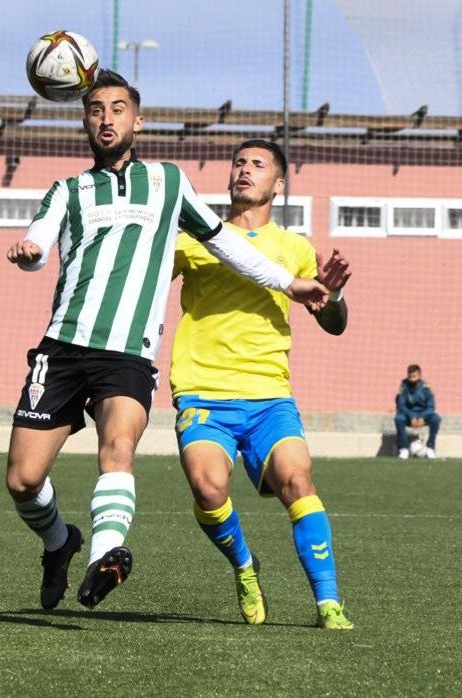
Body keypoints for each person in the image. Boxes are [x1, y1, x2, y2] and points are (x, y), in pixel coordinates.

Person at [4, 73, 329, 612]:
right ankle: (61, 543)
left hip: (129, 353)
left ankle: (106, 556)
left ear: (138, 120)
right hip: (62, 346)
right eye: (95, 110)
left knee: (118, 448)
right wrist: (29, 254)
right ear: (84, 121)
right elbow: (39, 243)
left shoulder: (169, 183)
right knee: (22, 480)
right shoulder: (68, 190)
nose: (106, 119)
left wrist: (289, 282)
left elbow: (225, 242)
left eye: (117, 109)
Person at [170, 139, 354, 630]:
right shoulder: (195, 238)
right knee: (209, 489)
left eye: (258, 164)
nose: (245, 170)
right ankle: (246, 568)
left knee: (299, 481)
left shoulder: (294, 249)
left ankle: (329, 604)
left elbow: (333, 321)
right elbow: (144, 286)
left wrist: (332, 297)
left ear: (278, 183)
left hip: (269, 394)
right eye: (239, 163)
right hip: (203, 388)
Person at [395, 364, 441, 459]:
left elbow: (431, 407)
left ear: (420, 376)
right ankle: (404, 449)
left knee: (436, 419)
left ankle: (430, 448)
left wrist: (422, 417)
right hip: (408, 415)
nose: (412, 379)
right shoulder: (404, 387)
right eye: (410, 377)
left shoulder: (426, 388)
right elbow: (401, 405)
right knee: (398, 419)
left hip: (422, 415)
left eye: (414, 376)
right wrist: (412, 417)